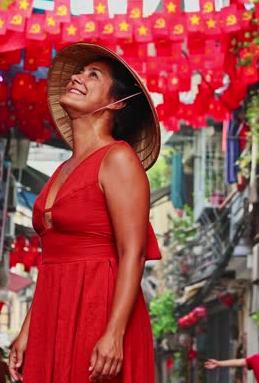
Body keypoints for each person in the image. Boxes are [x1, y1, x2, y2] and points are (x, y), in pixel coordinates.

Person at [9, 42, 161, 383]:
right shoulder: (63, 169)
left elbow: (132, 252)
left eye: (94, 75)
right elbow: (53, 260)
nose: (78, 77)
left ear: (117, 103)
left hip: (100, 307)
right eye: (80, 71)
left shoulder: (118, 159)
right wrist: (28, 328)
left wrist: (114, 333)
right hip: (54, 308)